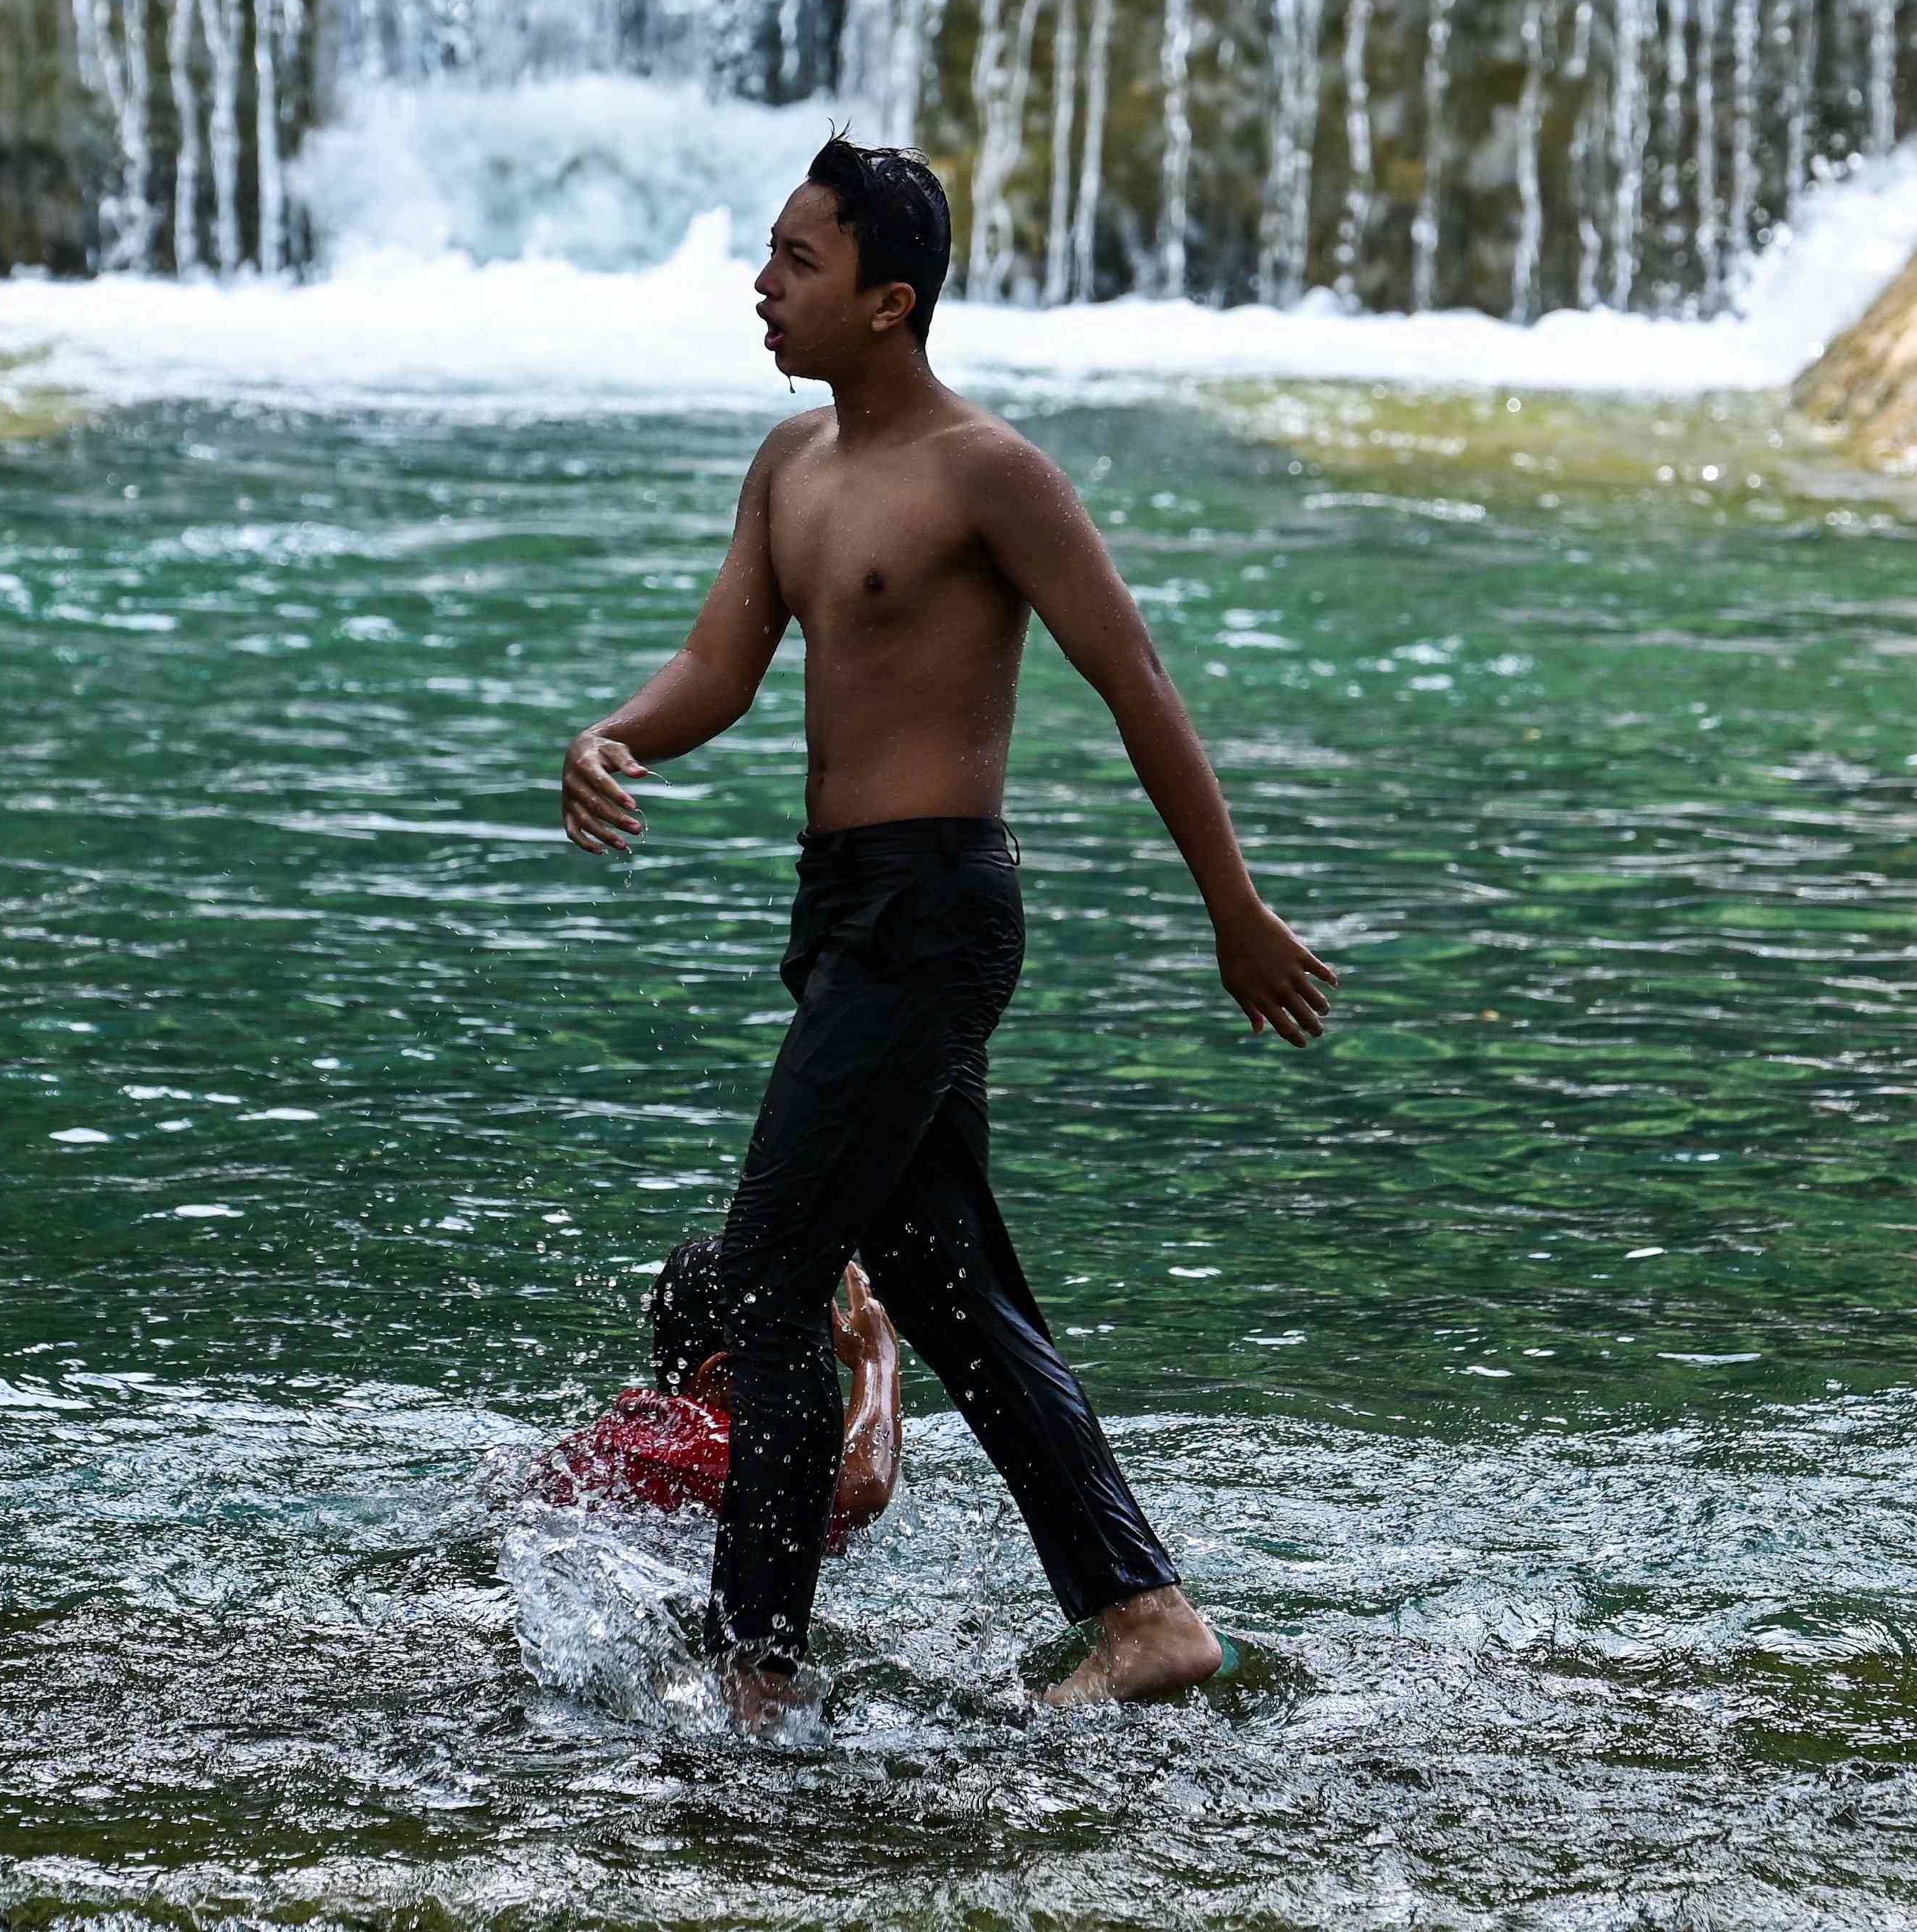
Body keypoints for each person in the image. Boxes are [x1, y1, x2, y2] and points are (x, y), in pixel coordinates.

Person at [559, 134, 1337, 1718]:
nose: (763, 285)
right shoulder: (788, 464)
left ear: (890, 300)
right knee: (949, 1284)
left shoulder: (992, 471)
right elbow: (721, 665)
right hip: (842, 909)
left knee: (773, 1273)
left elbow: (1140, 681)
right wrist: (616, 732)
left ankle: (755, 1672)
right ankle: (1145, 1614)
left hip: (941, 910)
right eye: (770, 252)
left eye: (798, 260)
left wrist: (1233, 906)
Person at [534, 1240, 901, 1551]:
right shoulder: (714, 1443)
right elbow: (861, 1490)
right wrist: (876, 1362)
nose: (820, 1388)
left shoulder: (629, 1434)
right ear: (725, 1378)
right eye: (813, 1363)